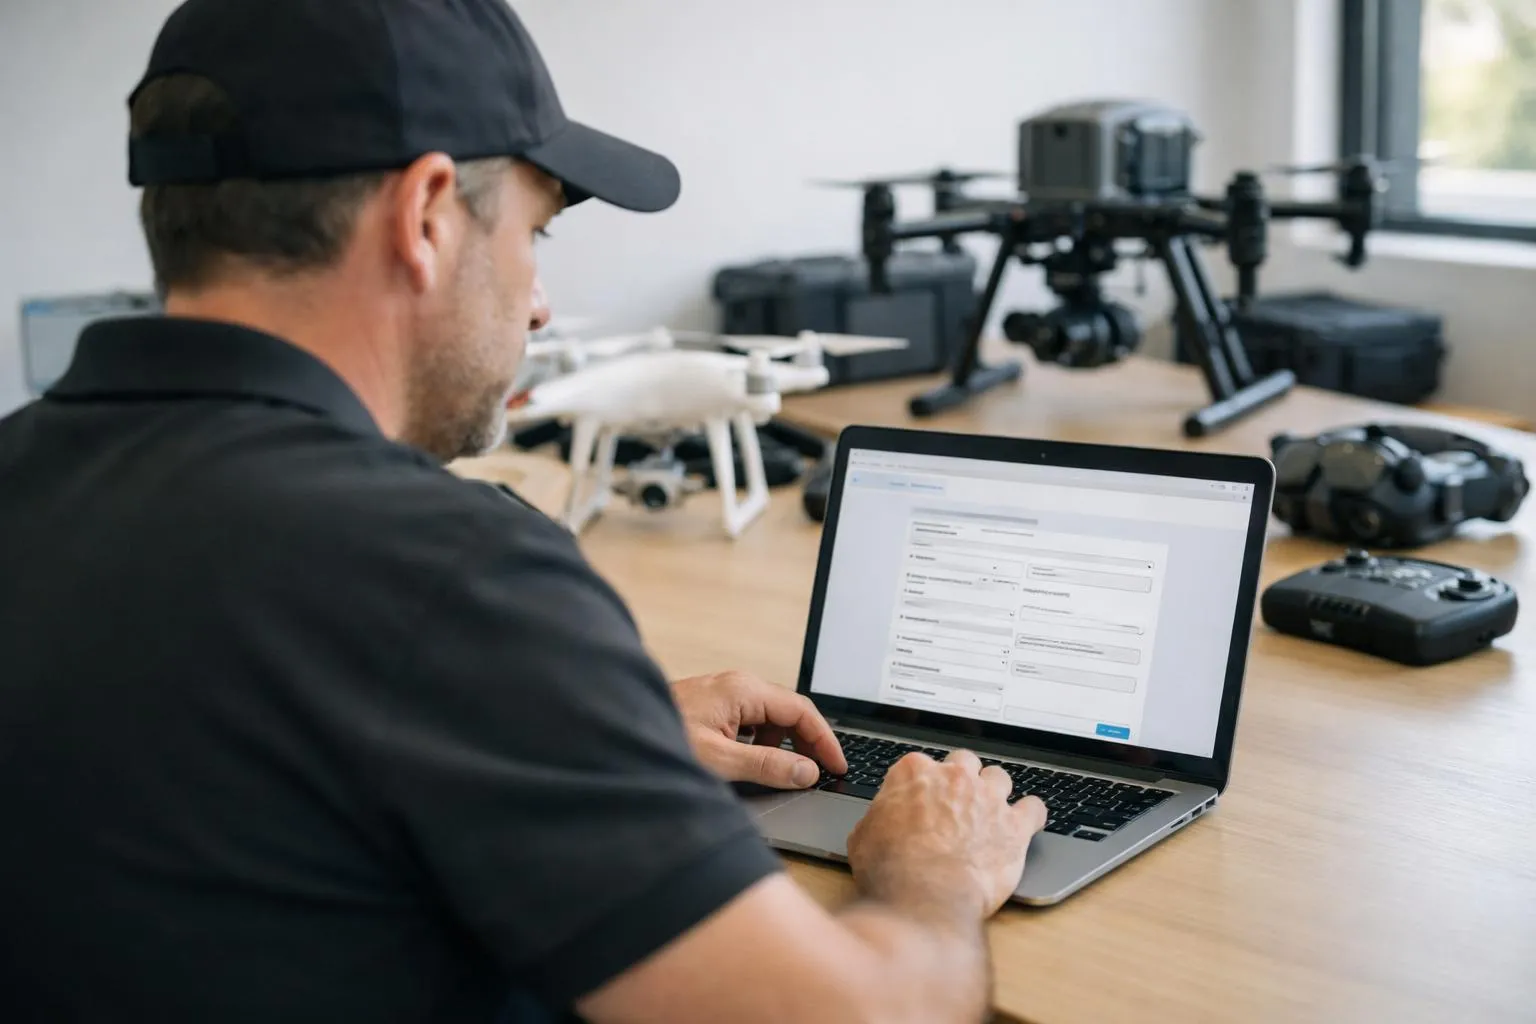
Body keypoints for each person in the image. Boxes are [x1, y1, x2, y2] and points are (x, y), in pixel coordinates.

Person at [0, 1, 1047, 1022]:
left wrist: (578, 740)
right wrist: (935, 872)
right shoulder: (451, 578)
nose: (539, 300)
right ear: (425, 217)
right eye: (536, 233)